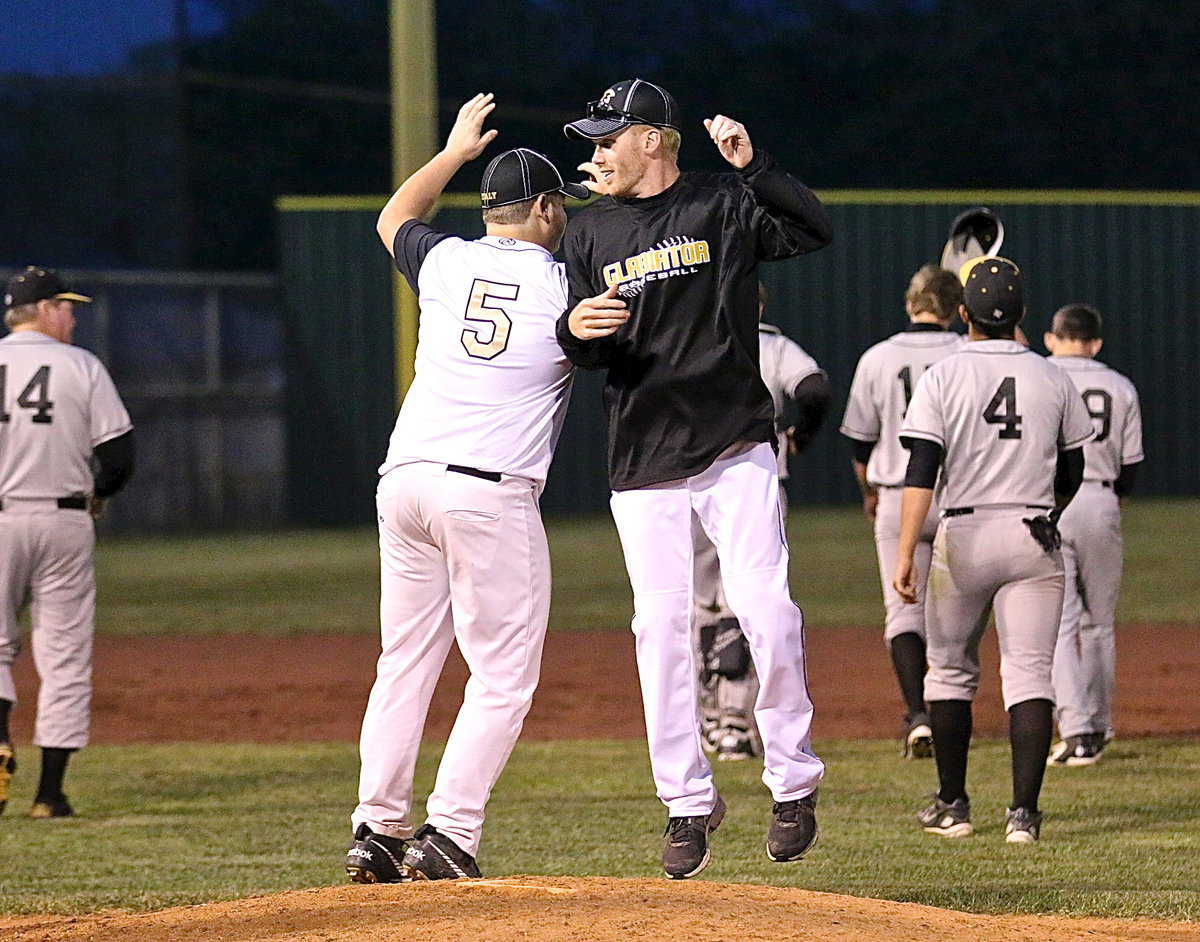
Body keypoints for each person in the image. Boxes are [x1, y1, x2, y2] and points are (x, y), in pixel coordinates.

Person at [557, 77, 833, 878]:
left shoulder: (722, 202)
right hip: (642, 456)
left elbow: (812, 228)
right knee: (659, 632)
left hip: (734, 444)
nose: (598, 152)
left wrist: (758, 168)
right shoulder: (589, 231)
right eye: (593, 141)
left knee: (768, 612)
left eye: (610, 137)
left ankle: (793, 781)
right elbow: (582, 343)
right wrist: (576, 329)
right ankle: (686, 802)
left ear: (654, 139)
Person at [344, 94, 591, 883]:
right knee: (504, 672)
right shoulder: (562, 286)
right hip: (487, 488)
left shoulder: (446, 260)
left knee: (405, 660)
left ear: (491, 211)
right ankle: (448, 834)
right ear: (548, 208)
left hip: (405, 478)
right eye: (562, 208)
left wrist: (452, 153)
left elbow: (393, 216)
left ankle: (376, 830)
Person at [894, 256, 1094, 844]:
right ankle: (1023, 818)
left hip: (965, 535)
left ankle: (953, 806)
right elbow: (1075, 464)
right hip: (1033, 533)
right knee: (1030, 674)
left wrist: (907, 550)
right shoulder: (1053, 375)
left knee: (950, 672)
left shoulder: (944, 374)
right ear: (1023, 315)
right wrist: (1050, 512)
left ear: (963, 314)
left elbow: (921, 470)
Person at [0, 266, 135, 819]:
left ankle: (0, 742)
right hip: (64, 521)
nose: (73, 317)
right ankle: (49, 795)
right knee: (64, 656)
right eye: (68, 307)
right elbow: (120, 458)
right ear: (46, 309)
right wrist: (99, 492)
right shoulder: (81, 365)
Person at [696, 283, 830, 762]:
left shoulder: (690, 335)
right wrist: (801, 437)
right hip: (754, 485)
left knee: (697, 604)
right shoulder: (770, 344)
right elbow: (814, 389)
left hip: (687, 485)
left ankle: (706, 719)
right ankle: (733, 724)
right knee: (747, 600)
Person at [840, 264, 964, 758]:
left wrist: (869, 492)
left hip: (896, 494)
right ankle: (948, 704)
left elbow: (860, 441)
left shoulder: (878, 357)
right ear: (957, 309)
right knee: (954, 612)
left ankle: (918, 716)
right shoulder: (966, 354)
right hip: (957, 497)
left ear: (910, 304)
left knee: (902, 612)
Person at [1043, 304, 1143, 766]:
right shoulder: (1120, 385)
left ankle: (1077, 731)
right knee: (1099, 624)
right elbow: (1131, 463)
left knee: (1061, 623)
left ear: (1052, 338)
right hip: (1101, 499)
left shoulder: (1040, 376)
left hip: (1051, 503)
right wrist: (1113, 499)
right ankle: (1099, 727)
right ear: (1096, 343)